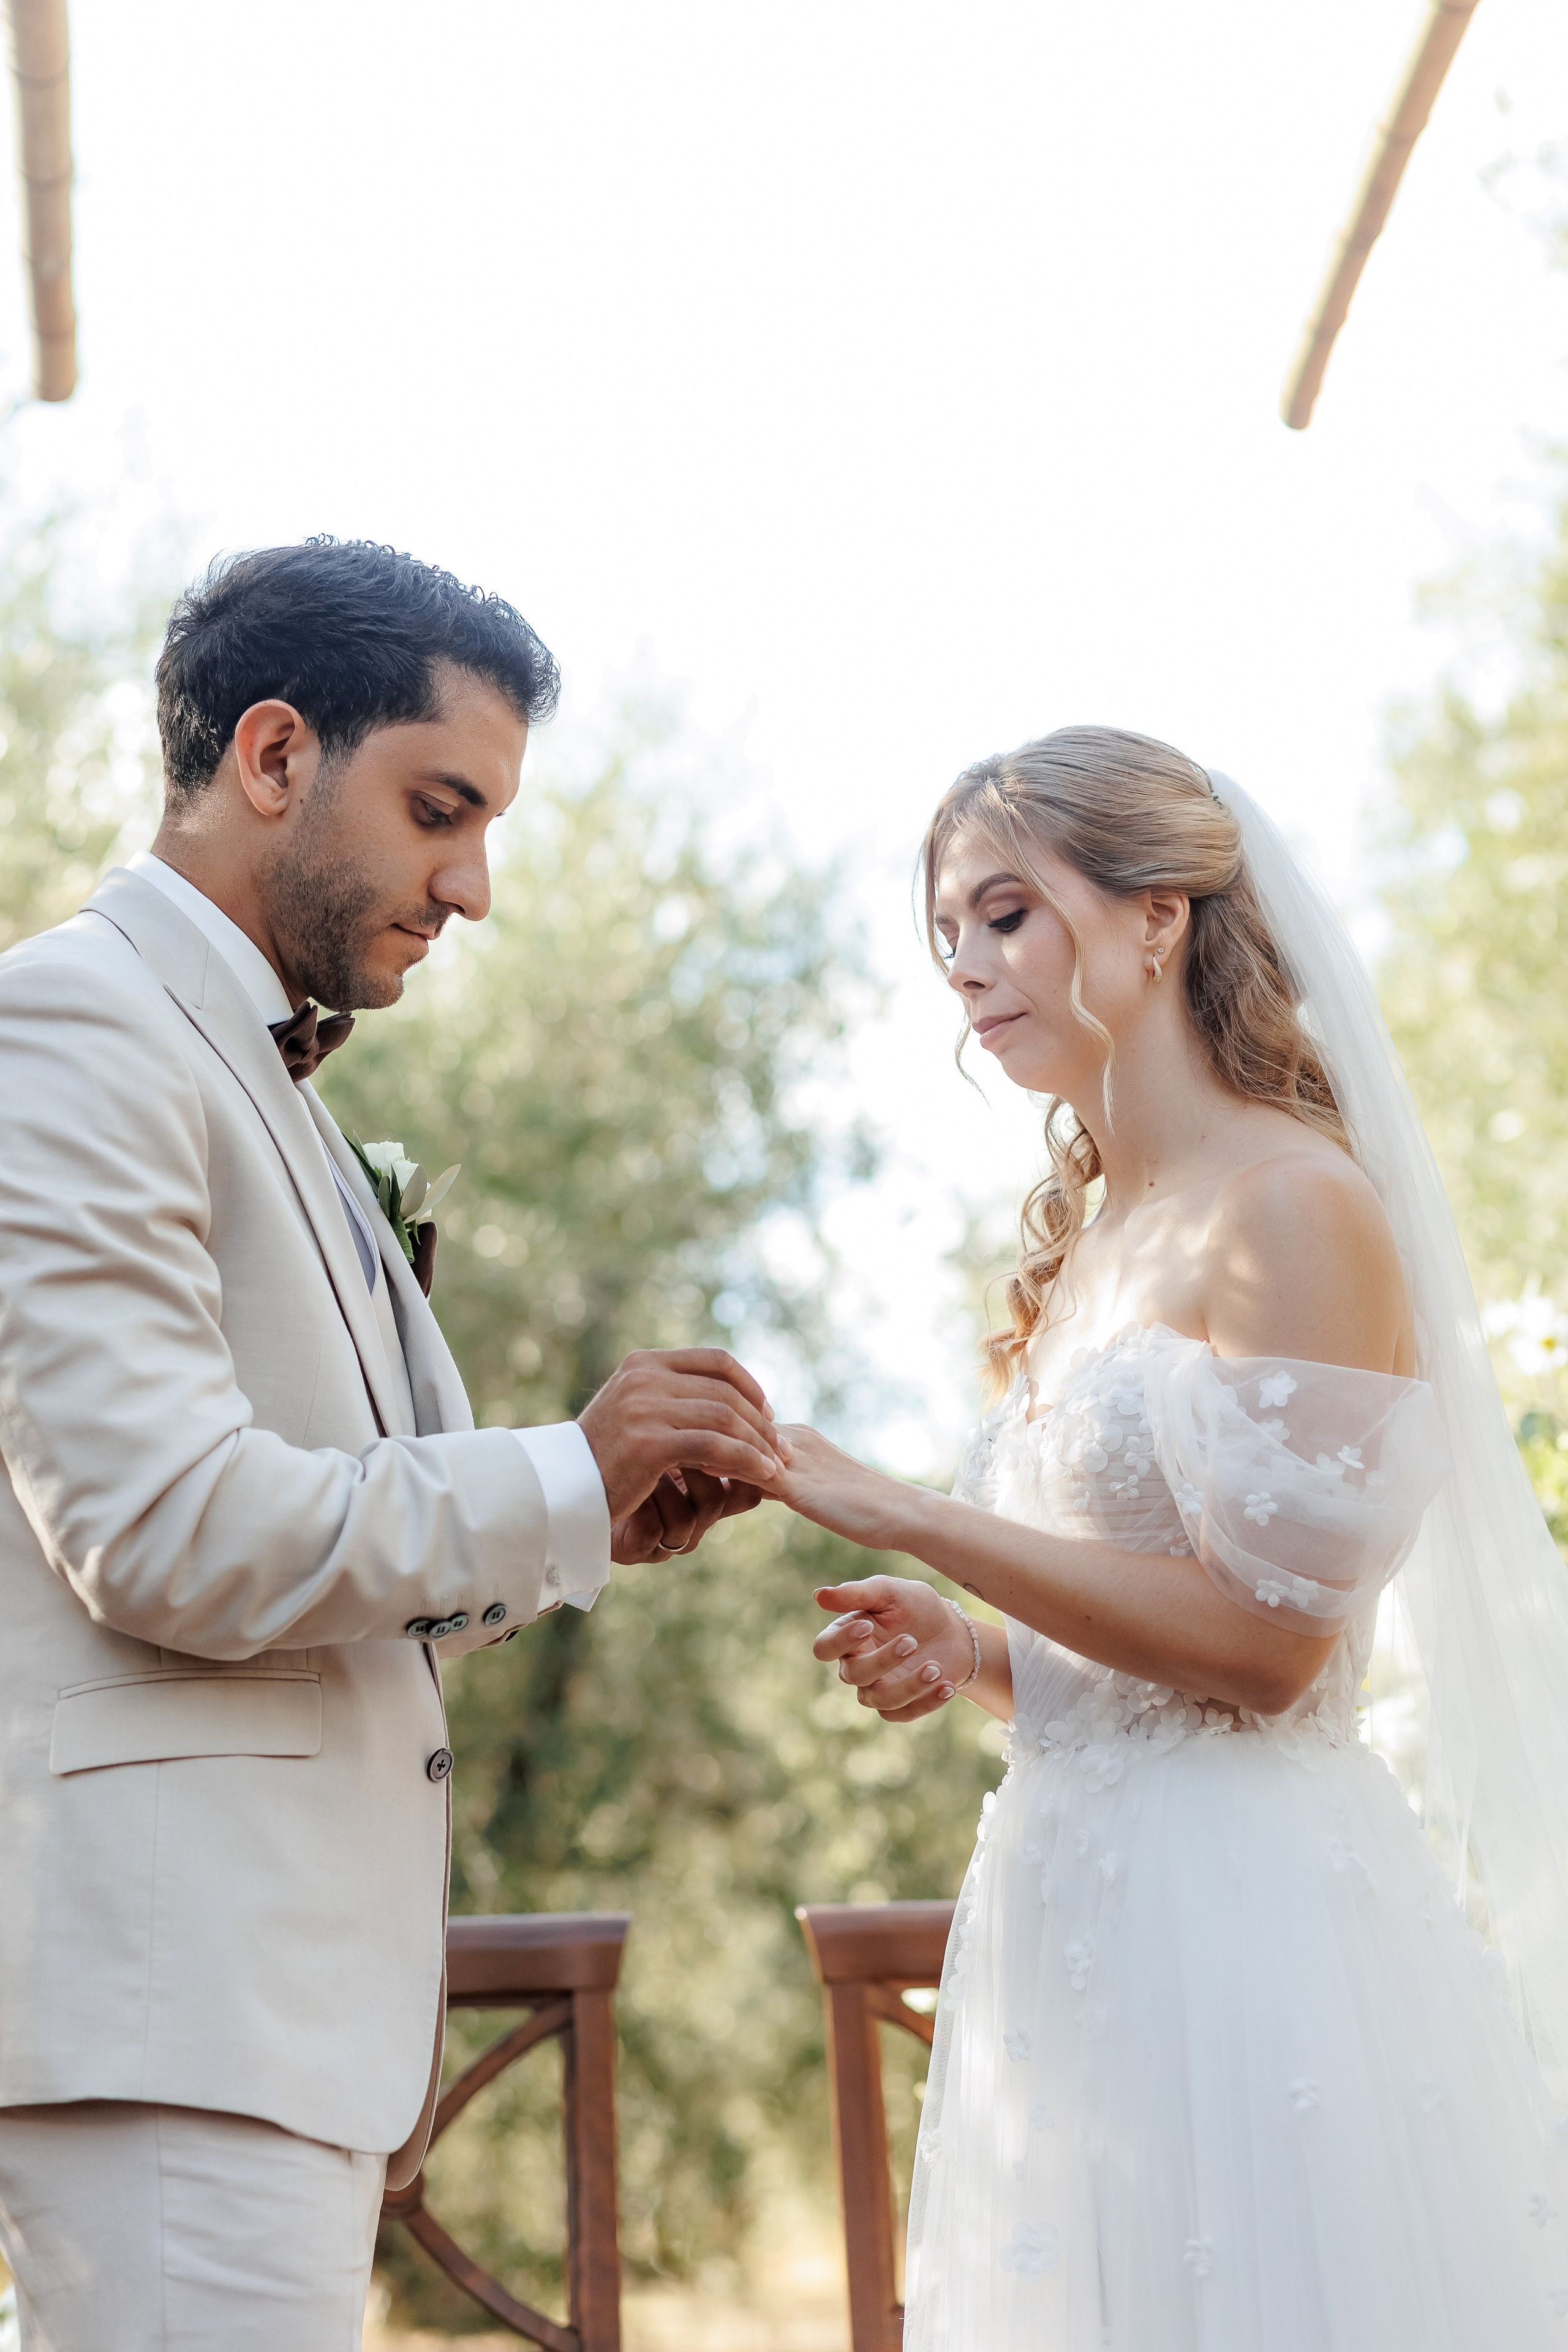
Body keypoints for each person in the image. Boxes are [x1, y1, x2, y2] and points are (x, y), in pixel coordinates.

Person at [0, 540, 786, 2351]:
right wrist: (559, 1469)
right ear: (276, 754)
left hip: (264, 2033)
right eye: (442, 811)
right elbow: (162, 1530)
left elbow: (312, 1551)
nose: (474, 888)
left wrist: (584, 1518)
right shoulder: (78, 1024)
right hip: (174, 2017)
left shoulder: (254, 1066)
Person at [776, 726, 1568, 2348]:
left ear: (1159, 917)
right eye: (949, 934)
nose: (966, 968)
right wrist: (971, 1650)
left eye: (1007, 914)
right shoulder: (1091, 1248)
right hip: (1064, 1927)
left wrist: (910, 1512)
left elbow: (1268, 1652)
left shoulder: (1295, 1204)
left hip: (1248, 1928)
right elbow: (1127, 1658)